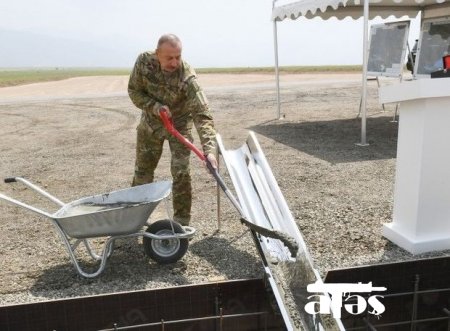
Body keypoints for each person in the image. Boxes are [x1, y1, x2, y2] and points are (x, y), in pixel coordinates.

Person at [128, 33, 217, 226]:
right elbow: (134, 91)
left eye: (178, 56)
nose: (175, 62)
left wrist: (209, 151)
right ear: (157, 53)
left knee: (181, 172)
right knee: (142, 172)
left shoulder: (187, 77)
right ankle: (134, 219)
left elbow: (203, 115)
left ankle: (181, 223)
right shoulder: (144, 62)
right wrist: (154, 106)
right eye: (169, 57)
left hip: (179, 125)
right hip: (151, 124)